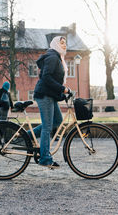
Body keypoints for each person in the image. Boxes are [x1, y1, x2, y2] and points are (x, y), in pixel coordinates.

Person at [32, 36, 71, 169]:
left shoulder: (58, 58)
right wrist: (62, 89)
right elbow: (46, 77)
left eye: (65, 43)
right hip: (44, 95)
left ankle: (24, 136)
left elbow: (52, 80)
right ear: (55, 44)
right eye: (61, 43)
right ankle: (45, 158)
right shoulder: (53, 57)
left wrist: (62, 93)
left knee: (57, 122)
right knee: (47, 127)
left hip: (50, 95)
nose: (64, 45)